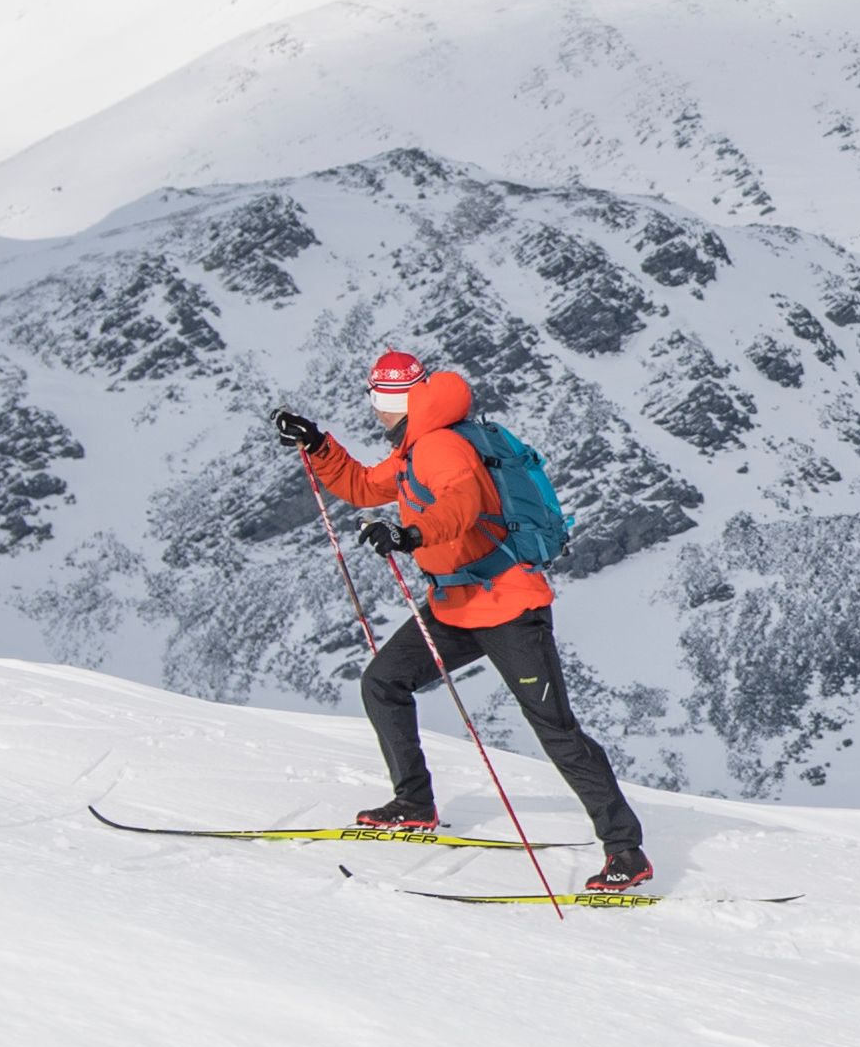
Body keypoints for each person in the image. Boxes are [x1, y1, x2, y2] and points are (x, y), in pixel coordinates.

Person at [277, 348, 653, 894]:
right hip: (456, 606)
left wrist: (410, 536)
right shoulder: (414, 449)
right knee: (384, 682)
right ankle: (413, 804)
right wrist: (319, 446)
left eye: (375, 398)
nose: (374, 410)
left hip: (508, 608)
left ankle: (626, 852)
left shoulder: (440, 447)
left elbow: (463, 503)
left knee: (556, 730)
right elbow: (362, 487)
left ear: (391, 400)